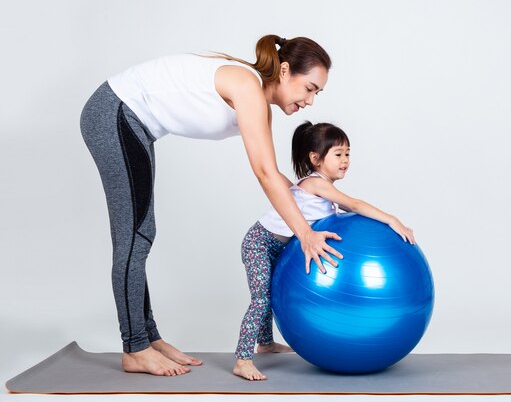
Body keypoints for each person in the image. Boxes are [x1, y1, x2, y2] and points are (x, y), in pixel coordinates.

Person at [80, 35, 344, 377]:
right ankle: (135, 348)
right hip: (114, 112)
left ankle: (149, 337)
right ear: (284, 70)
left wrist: (312, 198)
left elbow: (273, 174)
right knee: (135, 235)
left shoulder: (258, 104)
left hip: (134, 124)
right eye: (309, 88)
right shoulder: (247, 87)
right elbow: (263, 173)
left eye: (316, 93)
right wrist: (305, 233)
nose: (310, 101)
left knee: (142, 232)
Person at [233, 121, 415, 381]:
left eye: (348, 153)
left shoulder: (323, 191)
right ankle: (242, 359)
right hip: (259, 244)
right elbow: (353, 204)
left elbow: (338, 211)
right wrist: (391, 219)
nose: (345, 160)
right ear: (316, 159)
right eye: (338, 154)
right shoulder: (315, 184)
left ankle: (265, 343)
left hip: (279, 247)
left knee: (270, 293)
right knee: (261, 299)